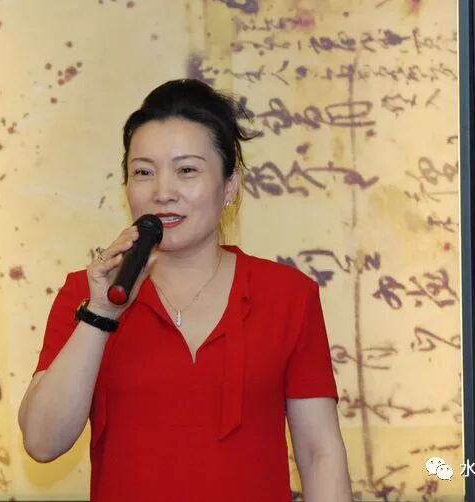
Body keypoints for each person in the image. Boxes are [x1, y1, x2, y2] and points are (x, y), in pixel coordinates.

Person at [18, 79, 351, 501]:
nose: (163, 192)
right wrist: (101, 314)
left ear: (230, 186)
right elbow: (42, 442)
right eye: (143, 172)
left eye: (187, 170)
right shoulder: (88, 293)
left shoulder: (287, 295)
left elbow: (320, 454)